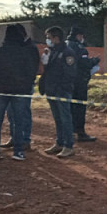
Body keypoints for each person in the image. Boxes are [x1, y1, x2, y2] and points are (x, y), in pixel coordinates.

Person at [0, 25, 37, 162]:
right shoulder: (25, 52)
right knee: (18, 122)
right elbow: (31, 72)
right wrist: (25, 87)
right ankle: (18, 151)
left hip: (0, 91)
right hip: (19, 92)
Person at [39, 26, 77, 158]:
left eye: (49, 38)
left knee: (65, 118)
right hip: (51, 90)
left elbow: (70, 73)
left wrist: (60, 88)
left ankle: (69, 145)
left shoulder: (68, 52)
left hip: (61, 91)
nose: (47, 40)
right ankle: (59, 142)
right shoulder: (51, 51)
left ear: (56, 38)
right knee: (57, 119)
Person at [1, 24, 39, 151]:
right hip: (11, 86)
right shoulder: (15, 47)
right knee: (11, 114)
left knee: (23, 113)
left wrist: (28, 82)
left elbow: (33, 68)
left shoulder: (30, 48)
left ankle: (25, 140)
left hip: (24, 86)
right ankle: (15, 137)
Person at [66, 26, 100, 142]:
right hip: (80, 81)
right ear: (78, 36)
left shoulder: (65, 45)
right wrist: (94, 61)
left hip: (68, 81)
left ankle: (68, 132)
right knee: (80, 107)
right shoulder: (79, 47)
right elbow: (85, 63)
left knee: (69, 107)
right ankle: (80, 132)